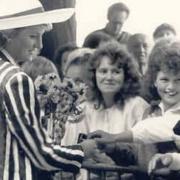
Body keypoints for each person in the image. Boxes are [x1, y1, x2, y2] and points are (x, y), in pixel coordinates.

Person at [0, 0, 97, 179]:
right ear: (8, 35)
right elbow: (41, 153)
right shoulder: (16, 79)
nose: (41, 45)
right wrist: (82, 150)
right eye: (33, 36)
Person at [89, 38, 180, 179]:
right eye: (165, 80)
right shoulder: (150, 111)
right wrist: (113, 149)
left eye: (178, 80)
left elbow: (154, 129)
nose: (171, 87)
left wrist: (114, 137)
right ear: (154, 80)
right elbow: (137, 156)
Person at [62, 41, 149, 179]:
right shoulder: (83, 109)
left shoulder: (138, 107)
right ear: (94, 74)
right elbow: (71, 149)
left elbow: (144, 156)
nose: (108, 77)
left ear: (126, 75)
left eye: (116, 71)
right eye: (103, 71)